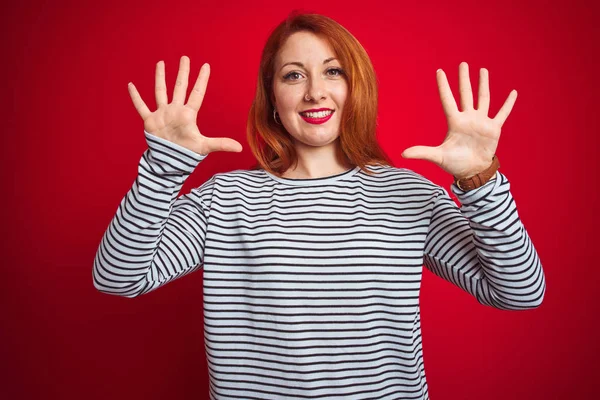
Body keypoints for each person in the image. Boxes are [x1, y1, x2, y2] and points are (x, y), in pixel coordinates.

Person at [93, 11, 546, 400]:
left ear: (356, 87)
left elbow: (520, 293)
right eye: (293, 74)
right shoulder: (225, 199)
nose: (314, 92)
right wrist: (162, 169)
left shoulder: (409, 194)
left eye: (333, 71)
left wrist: (479, 180)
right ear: (272, 98)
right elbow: (117, 278)